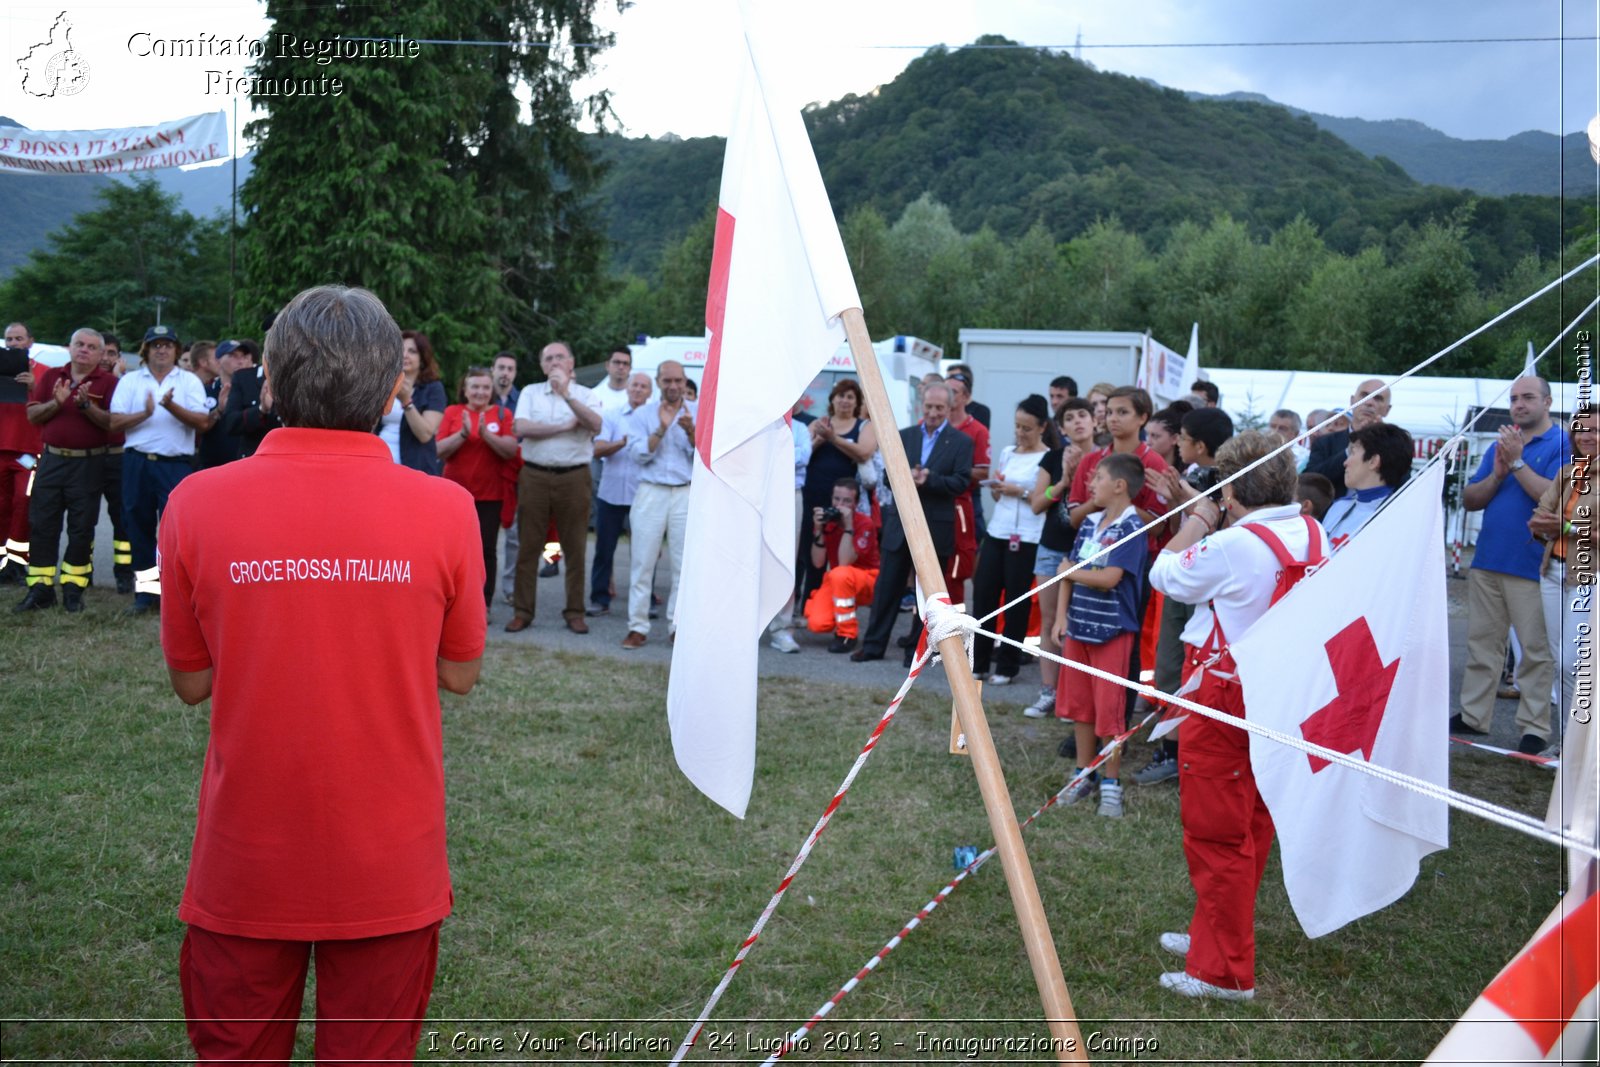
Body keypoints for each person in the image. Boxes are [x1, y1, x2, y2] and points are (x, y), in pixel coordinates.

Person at [159, 284, 484, 1062]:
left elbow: (192, 682)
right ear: (389, 389)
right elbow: (461, 674)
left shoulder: (196, 502)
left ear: (267, 381)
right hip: (390, 859)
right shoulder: (446, 509)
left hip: (246, 855)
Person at [1149, 430, 1328, 1001]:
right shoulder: (1310, 528)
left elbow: (1166, 573)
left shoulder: (1234, 544)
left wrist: (1199, 520)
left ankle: (1223, 972)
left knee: (1217, 834)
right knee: (1249, 823)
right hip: (1276, 691)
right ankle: (1214, 935)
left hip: (1225, 696)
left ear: (1230, 489)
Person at [1453, 376, 1568, 754]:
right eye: (1514, 398)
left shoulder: (1563, 444)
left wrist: (1516, 462)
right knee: (1483, 644)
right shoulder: (1503, 444)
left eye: (1528, 397)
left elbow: (1552, 500)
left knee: (1535, 652)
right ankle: (1473, 715)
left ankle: (1534, 727)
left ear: (1547, 402)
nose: (1518, 405)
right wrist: (1499, 473)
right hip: (1488, 559)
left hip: (1533, 564)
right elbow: (1470, 499)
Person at [1053, 451, 1149, 817]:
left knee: (1110, 712)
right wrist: (1060, 617)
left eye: (1097, 478)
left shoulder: (1130, 528)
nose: (1090, 484)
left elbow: (1109, 579)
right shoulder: (1090, 524)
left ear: (1119, 486)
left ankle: (1110, 781)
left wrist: (1070, 572)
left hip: (1112, 632)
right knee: (1081, 707)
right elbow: (1067, 574)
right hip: (1078, 627)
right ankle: (1083, 772)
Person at [853, 383, 974, 664]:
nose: (933, 413)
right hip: (900, 526)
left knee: (928, 596)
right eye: (929, 407)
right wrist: (904, 476)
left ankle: (917, 652)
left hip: (935, 529)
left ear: (949, 408)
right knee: (887, 589)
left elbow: (961, 482)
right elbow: (885, 477)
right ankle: (873, 645)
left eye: (939, 408)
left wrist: (929, 479)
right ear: (922, 405)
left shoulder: (961, 442)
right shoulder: (904, 436)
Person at [108, 324, 209, 615]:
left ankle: (176, 596)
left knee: (176, 533)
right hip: (137, 462)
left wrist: (170, 406)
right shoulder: (130, 381)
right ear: (146, 350)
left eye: (167, 345)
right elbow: (114, 423)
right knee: (137, 527)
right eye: (155, 345)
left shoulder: (188, 381)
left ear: (177, 350)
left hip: (174, 466)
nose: (161, 349)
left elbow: (202, 423)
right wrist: (147, 413)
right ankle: (147, 593)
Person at [16, 328, 116, 612]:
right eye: (79, 344)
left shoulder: (108, 382)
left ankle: (73, 591)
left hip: (89, 463)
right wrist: (57, 403)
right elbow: (33, 415)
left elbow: (112, 423)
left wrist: (86, 406)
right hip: (51, 461)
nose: (84, 350)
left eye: (91, 347)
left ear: (99, 354)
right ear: (69, 348)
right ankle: (40, 589)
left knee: (81, 528)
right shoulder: (51, 377)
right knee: (42, 524)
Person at [507, 342, 602, 633]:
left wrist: (566, 395)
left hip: (574, 477)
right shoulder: (530, 392)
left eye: (560, 357)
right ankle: (523, 611)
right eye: (548, 358)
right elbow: (521, 428)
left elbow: (595, 424)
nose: (555, 362)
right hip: (534, 475)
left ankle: (575, 611)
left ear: (571, 363)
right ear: (542, 365)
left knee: (574, 547)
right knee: (529, 546)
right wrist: (564, 427)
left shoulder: (587, 395)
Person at [971, 395, 1056, 684]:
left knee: (1016, 602)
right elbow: (997, 493)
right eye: (1017, 426)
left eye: (1027, 428)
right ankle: (978, 662)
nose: (1020, 433)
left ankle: (1007, 665)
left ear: (1042, 427)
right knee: (984, 596)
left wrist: (1017, 490)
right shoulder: (1008, 451)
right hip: (998, 530)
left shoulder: (1048, 457)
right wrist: (997, 487)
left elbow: (1044, 498)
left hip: (1028, 535)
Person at [1530, 409, 1597, 756]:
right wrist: (1557, 525)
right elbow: (1538, 518)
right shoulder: (1567, 473)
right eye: (1582, 431)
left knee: (1575, 662)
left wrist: (1566, 527)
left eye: (1596, 431)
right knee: (1561, 663)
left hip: (1589, 577)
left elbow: (1554, 523)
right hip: (1552, 572)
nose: (1587, 437)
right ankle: (1567, 744)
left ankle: (1578, 746)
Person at [1022, 397, 1094, 717]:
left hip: (1091, 552)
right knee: (1050, 622)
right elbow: (1037, 504)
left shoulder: (1106, 459)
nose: (1077, 421)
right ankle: (1049, 692)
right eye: (1070, 417)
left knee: (1080, 625)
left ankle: (1074, 697)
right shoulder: (1052, 458)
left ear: (1095, 421)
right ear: (1061, 428)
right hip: (1052, 548)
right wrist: (1063, 482)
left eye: (1083, 415)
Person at [622, 360, 696, 649]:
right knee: (642, 561)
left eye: (678, 381)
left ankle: (677, 626)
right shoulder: (642, 414)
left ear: (684, 381)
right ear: (659, 382)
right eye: (667, 381)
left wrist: (691, 432)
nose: (673, 386)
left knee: (683, 564)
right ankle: (637, 626)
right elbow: (638, 454)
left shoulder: (697, 411)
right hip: (651, 491)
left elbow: (703, 456)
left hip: (685, 491)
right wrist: (662, 430)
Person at [437, 366, 520, 607]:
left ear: (492, 389)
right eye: (475, 386)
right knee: (451, 551)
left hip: (489, 496)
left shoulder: (503, 414)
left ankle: (483, 603)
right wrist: (463, 434)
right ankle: (449, 600)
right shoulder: (453, 411)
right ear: (465, 389)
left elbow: (510, 450)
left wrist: (485, 434)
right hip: (453, 494)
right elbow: (439, 450)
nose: (480, 392)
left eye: (485, 387)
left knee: (485, 551)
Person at [799, 379, 877, 604]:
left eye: (850, 397)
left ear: (856, 402)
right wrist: (820, 441)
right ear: (832, 399)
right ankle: (808, 604)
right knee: (811, 550)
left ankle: (840, 601)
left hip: (847, 501)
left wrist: (833, 438)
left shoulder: (864, 426)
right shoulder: (818, 423)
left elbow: (864, 453)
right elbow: (801, 456)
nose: (844, 400)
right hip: (813, 495)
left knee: (843, 552)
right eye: (840, 395)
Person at [588, 371, 651, 617]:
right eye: (634, 385)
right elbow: (597, 449)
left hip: (642, 494)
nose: (637, 390)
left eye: (643, 386)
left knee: (645, 552)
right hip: (611, 493)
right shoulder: (612, 416)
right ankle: (599, 598)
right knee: (604, 549)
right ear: (627, 388)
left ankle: (646, 603)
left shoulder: (655, 418)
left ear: (649, 392)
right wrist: (623, 443)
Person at [803, 478, 880, 652]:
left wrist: (848, 526)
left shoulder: (864, 523)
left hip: (869, 580)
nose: (840, 505)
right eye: (836, 499)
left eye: (846, 501)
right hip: (840, 580)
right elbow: (818, 562)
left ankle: (847, 634)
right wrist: (818, 529)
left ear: (856, 503)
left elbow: (845, 561)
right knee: (817, 624)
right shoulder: (828, 521)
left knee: (839, 573)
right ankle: (840, 620)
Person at [1322, 422, 1414, 549]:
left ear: (1373, 461)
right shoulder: (1338, 507)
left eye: (1353, 453)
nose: (1345, 462)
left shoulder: (1397, 518)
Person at [942, 371, 990, 605]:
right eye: (945, 390)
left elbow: (983, 472)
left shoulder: (978, 430)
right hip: (932, 505)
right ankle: (921, 629)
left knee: (957, 568)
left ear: (966, 397)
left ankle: (956, 629)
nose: (948, 396)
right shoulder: (929, 424)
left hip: (961, 505)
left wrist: (949, 472)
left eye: (954, 392)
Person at [0, 321, 40, 586]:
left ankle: (18, 562)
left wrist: (33, 385)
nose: (14, 343)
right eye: (9, 339)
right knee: (1, 505)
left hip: (28, 452)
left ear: (30, 342)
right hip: (1, 449)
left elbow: (53, 401)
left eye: (19, 338)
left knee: (22, 504)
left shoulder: (42, 372)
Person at [1305, 378, 1391, 496]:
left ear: (1387, 410)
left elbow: (1402, 485)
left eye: (1378, 398)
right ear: (1352, 401)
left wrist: (1382, 440)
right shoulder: (1325, 442)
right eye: (1364, 395)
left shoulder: (1395, 445)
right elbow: (1310, 481)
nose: (1369, 402)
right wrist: (1350, 449)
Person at [376, 331, 446, 474]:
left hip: (415, 469)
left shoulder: (433, 389)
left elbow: (425, 435)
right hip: (380, 466)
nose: (405, 355)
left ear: (422, 358)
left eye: (412, 351)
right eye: (401, 349)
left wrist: (406, 402)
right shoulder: (383, 384)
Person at [491, 351, 521, 602]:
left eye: (510, 369)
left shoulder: (521, 401)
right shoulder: (479, 396)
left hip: (514, 474)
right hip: (486, 474)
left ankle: (510, 588)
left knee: (514, 536)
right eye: (501, 367)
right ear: (493, 370)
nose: (505, 373)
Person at [222, 340, 280, 459]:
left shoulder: (303, 376)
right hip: (255, 459)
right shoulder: (244, 377)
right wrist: (261, 410)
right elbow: (231, 423)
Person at [946, 362, 991, 428]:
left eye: (954, 377)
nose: (949, 381)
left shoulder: (981, 411)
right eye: (947, 378)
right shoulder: (945, 408)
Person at [594, 346, 635, 417]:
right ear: (607, 365)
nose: (621, 367)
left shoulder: (638, 397)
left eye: (625, 363)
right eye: (617, 362)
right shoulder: (594, 395)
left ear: (630, 368)